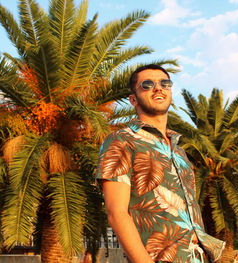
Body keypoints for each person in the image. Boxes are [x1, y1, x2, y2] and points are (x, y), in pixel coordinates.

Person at [96, 64, 226, 263]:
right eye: (147, 85)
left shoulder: (180, 151)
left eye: (165, 83)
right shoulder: (122, 140)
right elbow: (116, 213)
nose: (158, 88)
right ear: (133, 99)